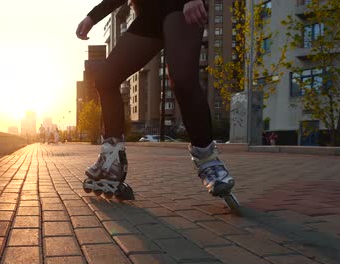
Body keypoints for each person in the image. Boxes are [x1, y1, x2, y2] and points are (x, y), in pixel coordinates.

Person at [76, 0, 236, 205]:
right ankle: (112, 156)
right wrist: (92, 16)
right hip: (149, 15)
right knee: (106, 79)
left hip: (179, 6)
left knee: (182, 79)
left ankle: (208, 160)